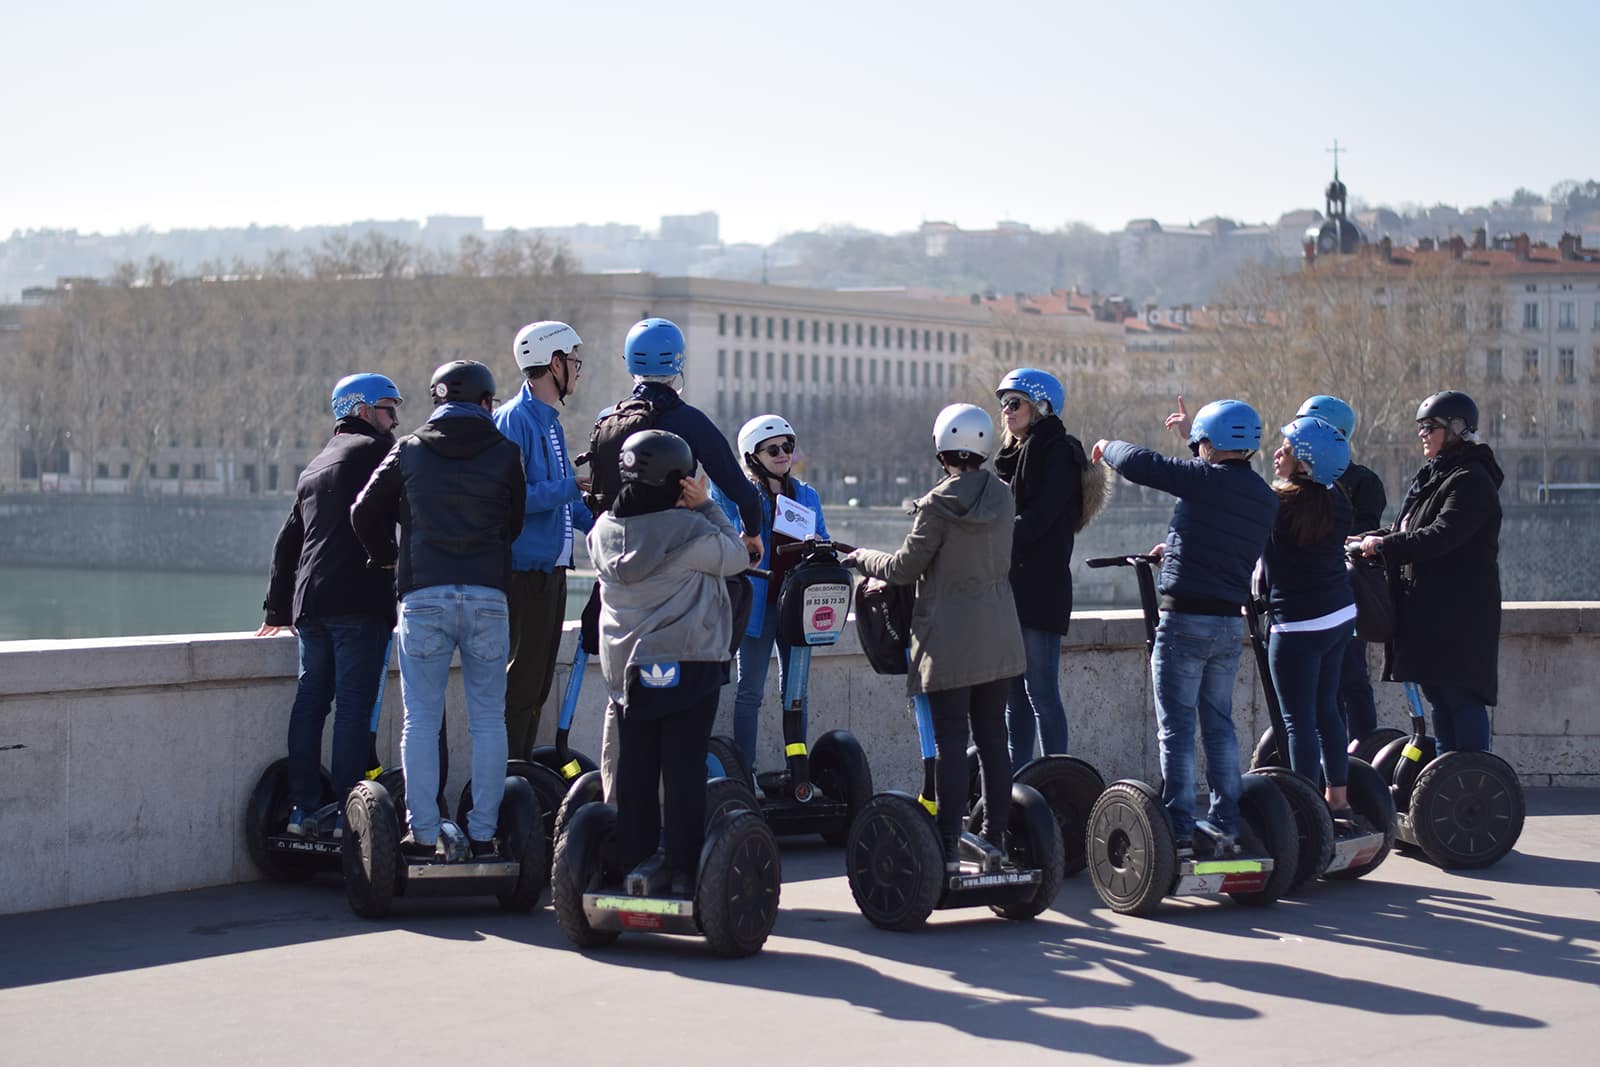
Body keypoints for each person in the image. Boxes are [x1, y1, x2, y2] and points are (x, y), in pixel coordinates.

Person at [351, 360, 525, 858]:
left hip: (423, 594)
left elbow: (362, 510)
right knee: (490, 720)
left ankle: (423, 833)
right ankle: (484, 833)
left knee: (420, 721)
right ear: (487, 402)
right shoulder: (506, 452)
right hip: (488, 595)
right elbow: (513, 521)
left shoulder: (409, 450)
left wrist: (388, 557)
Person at [842, 404, 1024, 873]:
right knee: (992, 741)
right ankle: (995, 836)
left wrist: (862, 557)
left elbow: (903, 568)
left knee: (949, 744)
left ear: (942, 449)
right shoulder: (1003, 497)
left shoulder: (937, 505)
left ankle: (946, 844)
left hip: (948, 642)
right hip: (999, 635)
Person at [1091, 397, 1278, 854]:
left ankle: (1177, 828)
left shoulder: (1203, 481)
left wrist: (1105, 445)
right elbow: (1217, 531)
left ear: (1209, 445)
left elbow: (1142, 463)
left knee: (1175, 729)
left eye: (1201, 443)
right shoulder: (1264, 497)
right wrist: (1174, 550)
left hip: (1184, 623)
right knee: (1219, 725)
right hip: (1226, 625)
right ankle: (1225, 823)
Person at [590, 318, 763, 797]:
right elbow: (739, 487)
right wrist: (749, 535)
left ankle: (615, 807)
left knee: (621, 698)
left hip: (620, 575)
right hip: (681, 568)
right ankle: (675, 816)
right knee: (681, 704)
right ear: (678, 363)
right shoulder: (688, 422)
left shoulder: (609, 422)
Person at [589, 429, 750, 894]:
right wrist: (704, 503)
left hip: (628, 672)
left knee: (636, 769)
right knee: (683, 772)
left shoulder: (602, 534)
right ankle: (682, 870)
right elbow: (738, 555)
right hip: (688, 663)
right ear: (679, 480)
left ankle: (634, 861)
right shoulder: (691, 531)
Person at [260, 373, 404, 837]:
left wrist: (276, 611)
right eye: (387, 409)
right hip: (358, 598)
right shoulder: (379, 453)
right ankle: (347, 811)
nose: (395, 419)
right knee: (353, 708)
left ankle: (303, 810)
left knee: (311, 702)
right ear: (362, 411)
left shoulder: (316, 464)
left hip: (310, 603)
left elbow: (288, 542)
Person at [1358, 390, 1503, 753]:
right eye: (1420, 426)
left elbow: (1443, 535)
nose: (1422, 433)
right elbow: (1408, 529)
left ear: (1456, 429)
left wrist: (1386, 547)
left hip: (1460, 615)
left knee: (1461, 697)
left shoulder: (1470, 480)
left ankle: (1470, 781)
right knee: (1440, 696)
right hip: (1431, 611)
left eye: (1430, 427)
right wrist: (1373, 538)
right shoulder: (1434, 477)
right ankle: (1446, 782)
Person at [494, 320, 594, 761]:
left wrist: (604, 523)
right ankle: (509, 782)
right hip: (523, 574)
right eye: (574, 362)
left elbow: (564, 503)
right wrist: (573, 486)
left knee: (535, 685)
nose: (578, 370)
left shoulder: (550, 423)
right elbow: (511, 500)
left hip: (552, 571)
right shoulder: (513, 421)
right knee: (519, 684)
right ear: (554, 364)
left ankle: (522, 777)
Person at [713, 413, 831, 776]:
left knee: (796, 693)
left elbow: (824, 538)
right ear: (752, 456)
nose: (784, 454)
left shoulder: (806, 495)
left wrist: (821, 548)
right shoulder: (736, 496)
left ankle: (797, 768)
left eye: (788, 447)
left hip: (796, 605)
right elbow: (727, 536)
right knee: (749, 692)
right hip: (757, 606)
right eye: (773, 449)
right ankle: (744, 772)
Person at [992, 367, 1096, 770]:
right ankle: (1018, 782)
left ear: (1040, 406)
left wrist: (991, 537)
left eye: (1014, 403)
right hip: (1011, 587)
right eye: (1003, 404)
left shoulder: (1059, 452)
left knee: (1041, 693)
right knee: (1013, 697)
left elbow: (1041, 518)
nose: (1006, 411)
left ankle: (1059, 781)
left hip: (1041, 587)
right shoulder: (1013, 457)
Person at [1262, 416, 1357, 817]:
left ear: (1306, 463)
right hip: (1339, 617)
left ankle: (1306, 812)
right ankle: (1338, 800)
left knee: (1297, 722)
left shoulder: (1278, 504)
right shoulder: (1337, 498)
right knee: (1327, 713)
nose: (1278, 451)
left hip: (1297, 625)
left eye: (1287, 447)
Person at [1296, 394, 1387, 742]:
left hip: (1343, 596)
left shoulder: (1362, 483)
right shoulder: (1299, 481)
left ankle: (1363, 752)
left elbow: (1358, 538)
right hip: (1304, 597)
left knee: (1350, 679)